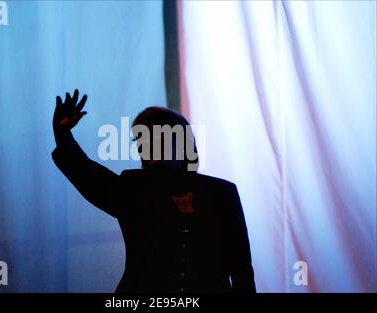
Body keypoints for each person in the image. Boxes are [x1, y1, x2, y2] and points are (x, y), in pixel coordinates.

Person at [51, 89, 256, 293]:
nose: (144, 145)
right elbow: (88, 175)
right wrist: (62, 134)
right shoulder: (132, 189)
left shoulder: (221, 193)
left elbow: (241, 269)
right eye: (140, 140)